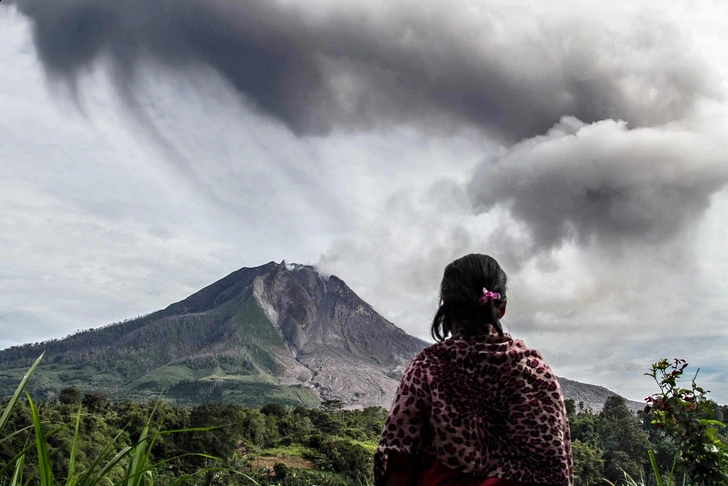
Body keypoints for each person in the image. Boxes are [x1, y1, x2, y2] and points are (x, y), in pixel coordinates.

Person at [374, 254, 572, 486]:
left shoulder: (429, 367)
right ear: (501, 309)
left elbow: (399, 462)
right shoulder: (537, 372)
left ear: (446, 306)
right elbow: (557, 466)